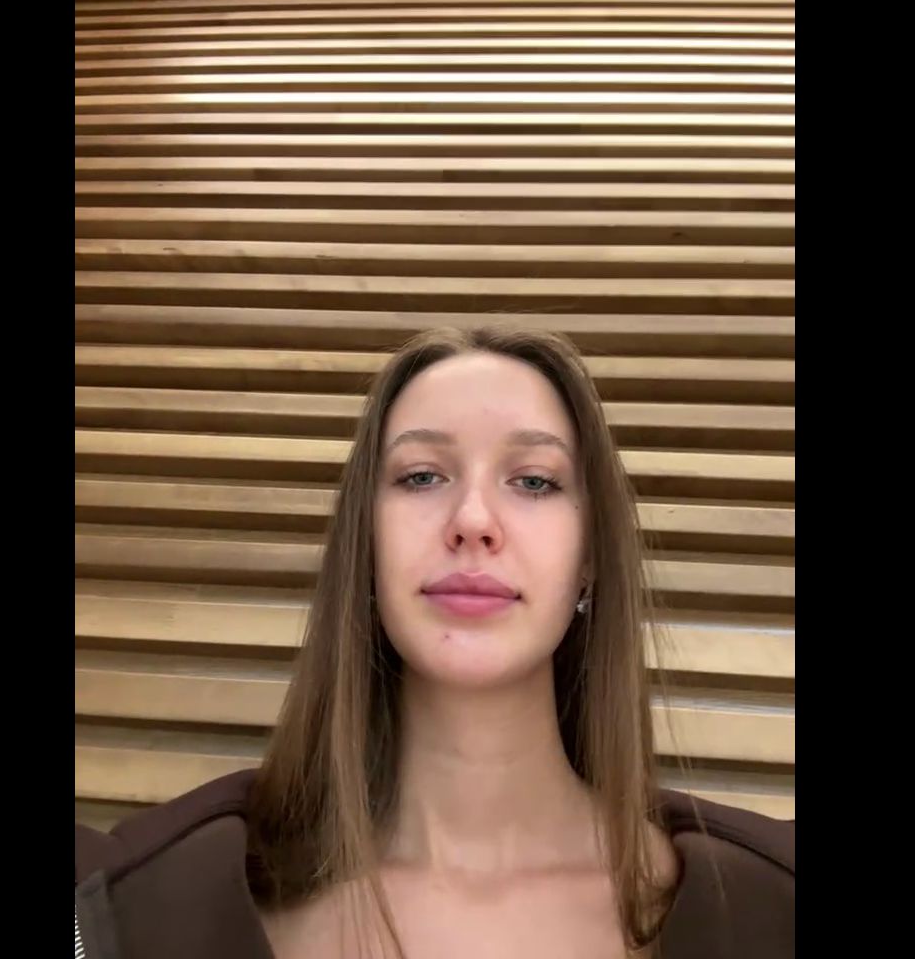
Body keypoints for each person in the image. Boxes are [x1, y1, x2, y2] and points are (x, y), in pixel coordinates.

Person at [75, 327, 794, 958]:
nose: (473, 520)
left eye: (533, 481)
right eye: (421, 476)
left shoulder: (770, 904)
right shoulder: (134, 902)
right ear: (365, 546)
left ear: (589, 559)